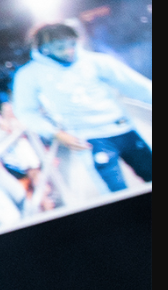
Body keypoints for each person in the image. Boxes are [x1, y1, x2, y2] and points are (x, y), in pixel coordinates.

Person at [10, 23, 152, 193]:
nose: (69, 51)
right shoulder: (29, 74)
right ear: (44, 48)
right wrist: (55, 133)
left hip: (124, 129)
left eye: (72, 44)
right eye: (60, 47)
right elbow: (25, 111)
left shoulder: (96, 61)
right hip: (88, 139)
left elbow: (137, 86)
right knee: (116, 193)